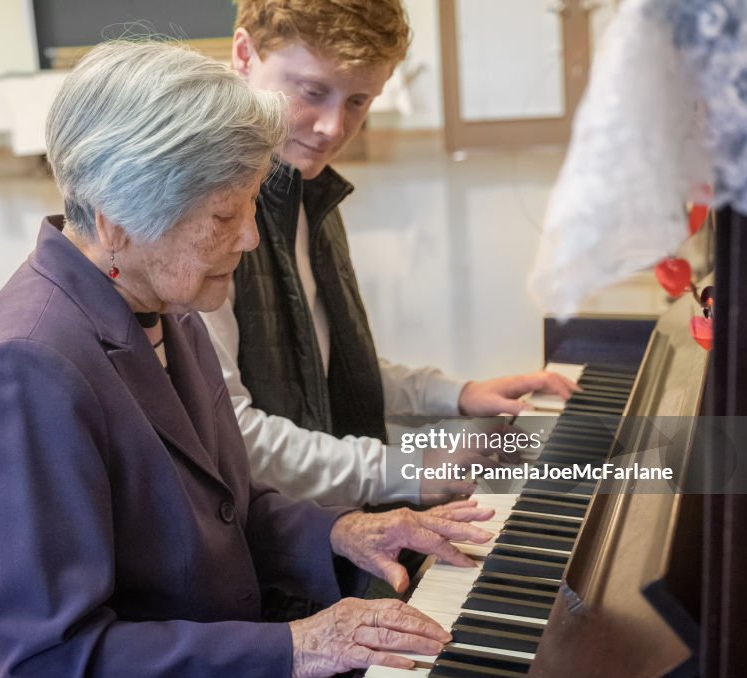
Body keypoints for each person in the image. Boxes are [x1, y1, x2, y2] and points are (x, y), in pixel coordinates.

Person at [0, 41, 497, 678]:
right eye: (224, 213)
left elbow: (225, 509)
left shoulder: (167, 305)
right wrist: (296, 647)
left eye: (253, 201)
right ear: (119, 219)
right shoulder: (26, 369)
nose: (251, 237)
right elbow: (50, 659)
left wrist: (344, 532)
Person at [201, 0, 579, 507]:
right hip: (266, 550)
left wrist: (456, 395)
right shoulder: (203, 211)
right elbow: (230, 436)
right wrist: (409, 467)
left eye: (358, 101)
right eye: (312, 92)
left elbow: (324, 372)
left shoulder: (309, 192)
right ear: (245, 54)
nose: (334, 128)